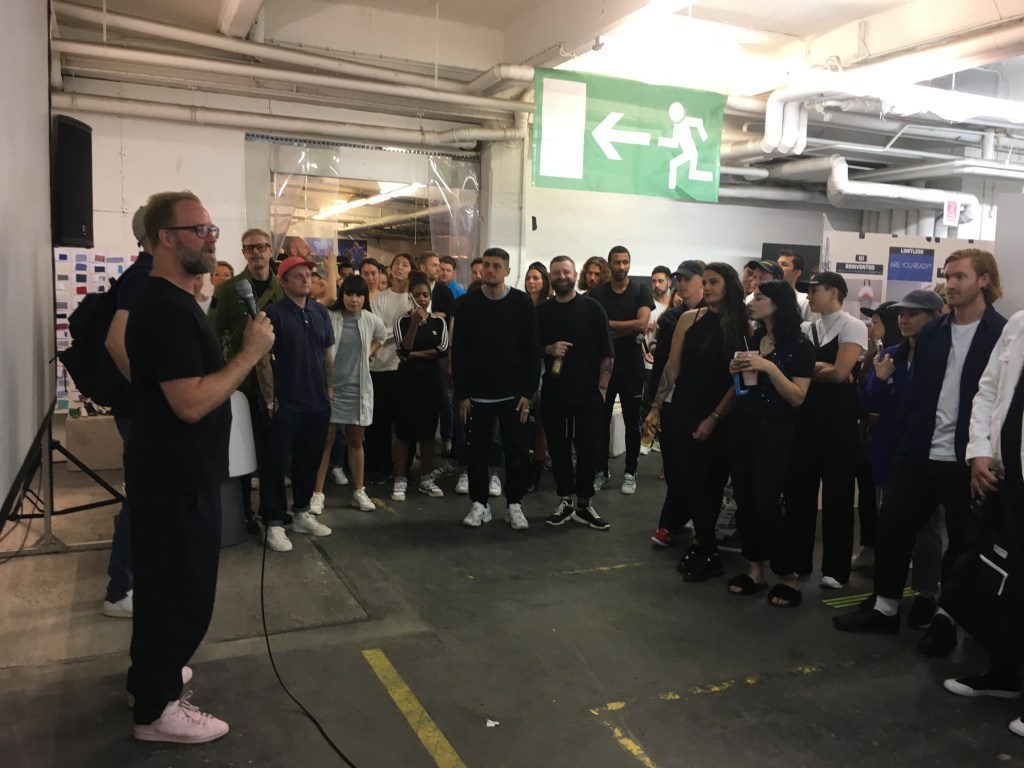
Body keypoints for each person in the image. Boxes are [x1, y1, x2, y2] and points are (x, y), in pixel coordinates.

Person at [124, 190, 274, 742]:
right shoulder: (163, 309)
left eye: (213, 230)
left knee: (166, 589)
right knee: (180, 595)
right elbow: (189, 403)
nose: (212, 239)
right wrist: (250, 354)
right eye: (200, 230)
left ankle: (150, 678)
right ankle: (157, 711)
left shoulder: (176, 301)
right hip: (175, 478)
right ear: (165, 238)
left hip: (177, 472)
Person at [834, 249, 1007, 652]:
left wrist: (989, 453)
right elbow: (915, 392)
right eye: (948, 276)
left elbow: (999, 400)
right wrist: (905, 438)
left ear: (984, 280)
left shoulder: (1001, 333)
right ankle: (885, 608)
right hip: (918, 452)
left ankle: (946, 619)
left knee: (963, 543)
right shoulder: (934, 331)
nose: (951, 284)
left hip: (967, 459)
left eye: (960, 276)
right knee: (893, 529)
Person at [941, 308, 1024, 737]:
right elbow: (989, 389)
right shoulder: (1019, 324)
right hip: (1007, 477)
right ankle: (1004, 673)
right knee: (997, 578)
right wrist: (979, 450)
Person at [645, 263, 746, 581]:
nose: (709, 287)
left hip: (719, 415)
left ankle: (708, 549)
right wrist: (656, 407)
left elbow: (740, 382)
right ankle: (704, 546)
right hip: (683, 410)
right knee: (686, 480)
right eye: (708, 282)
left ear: (728, 286)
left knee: (709, 484)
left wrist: (714, 417)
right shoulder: (689, 319)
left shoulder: (743, 325)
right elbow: (672, 367)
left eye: (715, 282)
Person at [858, 290, 944, 626]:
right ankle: (885, 593)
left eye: (913, 314)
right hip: (889, 452)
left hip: (926, 454)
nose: (904, 320)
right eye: (901, 314)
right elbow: (867, 403)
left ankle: (927, 593)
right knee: (889, 527)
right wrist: (879, 379)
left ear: (935, 317)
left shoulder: (943, 357)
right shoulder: (890, 356)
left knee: (926, 530)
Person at [726, 279, 814, 606]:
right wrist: (736, 369)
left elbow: (797, 396)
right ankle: (755, 571)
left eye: (759, 297)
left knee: (766, 502)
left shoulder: (800, 346)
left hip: (776, 432)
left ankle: (787, 576)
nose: (751, 301)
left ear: (777, 303)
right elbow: (746, 387)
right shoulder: (755, 338)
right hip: (744, 428)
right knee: (745, 500)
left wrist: (769, 367)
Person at [787, 271, 868, 589]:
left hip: (839, 424)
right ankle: (798, 559)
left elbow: (840, 372)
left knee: (838, 497)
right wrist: (826, 369)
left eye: (815, 290)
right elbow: (798, 368)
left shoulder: (853, 325)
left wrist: (814, 370)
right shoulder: (807, 328)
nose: (809, 296)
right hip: (805, 420)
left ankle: (836, 569)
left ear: (834, 292)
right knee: (799, 494)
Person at [450, 247, 540, 530]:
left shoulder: (522, 303)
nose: (490, 270)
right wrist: (463, 394)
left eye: (496, 266)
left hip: (514, 396)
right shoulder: (466, 304)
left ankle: (514, 505)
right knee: (477, 453)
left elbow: (532, 350)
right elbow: (459, 352)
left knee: (516, 452)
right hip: (477, 395)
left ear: (507, 271)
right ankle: (480, 504)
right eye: (487, 265)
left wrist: (527, 392)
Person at [208, 228, 285, 529]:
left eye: (261, 247)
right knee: (241, 452)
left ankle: (272, 511)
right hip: (242, 384)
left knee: (273, 454)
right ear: (243, 253)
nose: (256, 253)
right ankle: (244, 513)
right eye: (250, 248)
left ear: (270, 250)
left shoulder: (282, 288)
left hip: (275, 385)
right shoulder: (228, 290)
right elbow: (213, 335)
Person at [258, 255, 335, 552]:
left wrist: (329, 388)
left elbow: (327, 353)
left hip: (316, 401)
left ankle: (302, 512)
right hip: (285, 403)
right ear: (284, 281)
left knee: (309, 460)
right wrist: (269, 397)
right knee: (276, 464)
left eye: (309, 275)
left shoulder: (319, 312)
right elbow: (262, 358)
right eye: (298, 275)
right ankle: (274, 521)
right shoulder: (272, 314)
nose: (306, 279)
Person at [100, 205, 154, 619]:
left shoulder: (149, 275)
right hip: (139, 410)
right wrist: (148, 392)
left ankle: (135, 579)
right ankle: (120, 590)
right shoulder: (143, 277)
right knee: (143, 497)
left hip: (138, 408)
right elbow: (115, 341)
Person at [538, 256, 615, 530]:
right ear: (550, 276)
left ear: (574, 274)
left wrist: (602, 391)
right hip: (554, 393)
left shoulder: (593, 308)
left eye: (566, 272)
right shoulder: (542, 311)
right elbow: (528, 348)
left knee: (588, 449)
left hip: (588, 394)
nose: (562, 276)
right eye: (556, 272)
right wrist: (548, 349)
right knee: (558, 449)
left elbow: (607, 354)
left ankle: (584, 504)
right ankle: (565, 500)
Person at [312, 274, 386, 513]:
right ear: (342, 295)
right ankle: (317, 493)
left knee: (355, 441)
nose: (354, 300)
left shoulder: (370, 319)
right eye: (349, 294)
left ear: (365, 298)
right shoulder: (329, 315)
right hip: (331, 387)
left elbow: (382, 336)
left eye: (359, 295)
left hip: (358, 388)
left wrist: (368, 353)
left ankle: (358, 491)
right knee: (325, 441)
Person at [589, 246, 654, 495]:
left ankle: (630, 471)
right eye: (617, 262)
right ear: (610, 264)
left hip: (631, 367)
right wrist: (622, 329)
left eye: (625, 262)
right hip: (605, 367)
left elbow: (641, 325)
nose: (622, 266)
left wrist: (607, 325)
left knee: (631, 421)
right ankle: (601, 471)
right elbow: (595, 330)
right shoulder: (597, 293)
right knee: (601, 421)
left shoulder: (640, 290)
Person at [852, 300, 901, 570]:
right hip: (867, 438)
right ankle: (870, 547)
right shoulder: (874, 353)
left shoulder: (901, 357)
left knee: (890, 499)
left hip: (889, 439)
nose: (872, 328)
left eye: (877, 322)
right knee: (868, 495)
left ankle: (891, 552)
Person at [392, 271, 450, 501]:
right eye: (417, 295)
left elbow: (442, 350)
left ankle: (426, 478)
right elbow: (403, 348)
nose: (422, 299)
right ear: (410, 297)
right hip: (407, 382)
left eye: (425, 295)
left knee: (428, 433)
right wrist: (415, 324)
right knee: (404, 433)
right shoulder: (402, 321)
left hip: (431, 382)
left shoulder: (439, 322)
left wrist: (414, 354)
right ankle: (400, 478)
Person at [366, 253, 415, 484]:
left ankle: (404, 468)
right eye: (397, 263)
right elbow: (376, 331)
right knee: (380, 422)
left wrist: (392, 331)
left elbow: (417, 328)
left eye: (405, 264)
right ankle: (381, 466)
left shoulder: (415, 298)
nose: (400, 267)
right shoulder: (380, 298)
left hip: (406, 368)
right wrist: (401, 330)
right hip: (381, 368)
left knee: (405, 421)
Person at [524, 261, 552, 491]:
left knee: (543, 419)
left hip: (545, 367)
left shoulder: (550, 308)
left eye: (536, 278)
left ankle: (536, 467)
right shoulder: (520, 305)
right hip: (521, 367)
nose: (531, 282)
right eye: (528, 278)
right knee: (520, 417)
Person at [776, 250, 815, 321]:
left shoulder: (805, 301)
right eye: (777, 264)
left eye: (784, 264)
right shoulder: (764, 296)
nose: (778, 267)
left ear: (797, 273)